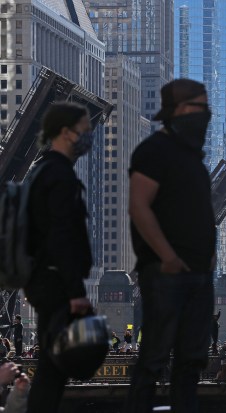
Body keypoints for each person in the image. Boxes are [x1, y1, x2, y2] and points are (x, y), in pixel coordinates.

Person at [124, 78, 217, 413]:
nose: (205, 115)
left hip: (198, 275)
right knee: (154, 359)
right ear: (177, 110)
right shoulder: (153, 152)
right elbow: (138, 206)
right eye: (200, 107)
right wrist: (167, 257)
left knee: (191, 363)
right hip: (166, 274)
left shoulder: (192, 158)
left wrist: (209, 259)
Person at [23, 102, 93, 413]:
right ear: (66, 133)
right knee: (54, 368)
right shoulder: (60, 176)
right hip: (55, 282)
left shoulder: (41, 171)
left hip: (42, 278)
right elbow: (62, 237)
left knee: (52, 366)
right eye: (84, 130)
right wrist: (76, 293)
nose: (88, 137)